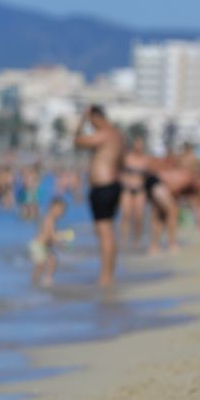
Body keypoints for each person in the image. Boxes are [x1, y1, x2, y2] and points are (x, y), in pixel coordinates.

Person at [73, 105, 124, 286]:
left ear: (96, 117)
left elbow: (77, 141)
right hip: (113, 185)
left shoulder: (104, 134)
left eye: (91, 121)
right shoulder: (118, 135)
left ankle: (105, 276)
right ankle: (109, 274)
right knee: (108, 231)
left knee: (104, 232)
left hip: (103, 187)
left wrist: (81, 120)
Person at [29, 197, 67, 287]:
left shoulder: (51, 219)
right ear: (51, 208)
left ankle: (47, 278)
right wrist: (59, 241)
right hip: (38, 246)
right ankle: (35, 280)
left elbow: (51, 234)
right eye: (59, 210)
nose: (60, 213)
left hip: (44, 246)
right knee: (40, 265)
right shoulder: (49, 219)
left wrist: (58, 238)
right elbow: (50, 235)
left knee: (52, 260)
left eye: (62, 211)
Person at [120, 137, 150, 248]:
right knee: (126, 215)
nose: (138, 147)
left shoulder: (146, 160)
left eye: (140, 144)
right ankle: (124, 241)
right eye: (136, 144)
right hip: (126, 189)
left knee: (138, 217)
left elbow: (151, 175)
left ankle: (136, 241)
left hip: (140, 190)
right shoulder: (127, 158)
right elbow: (118, 171)